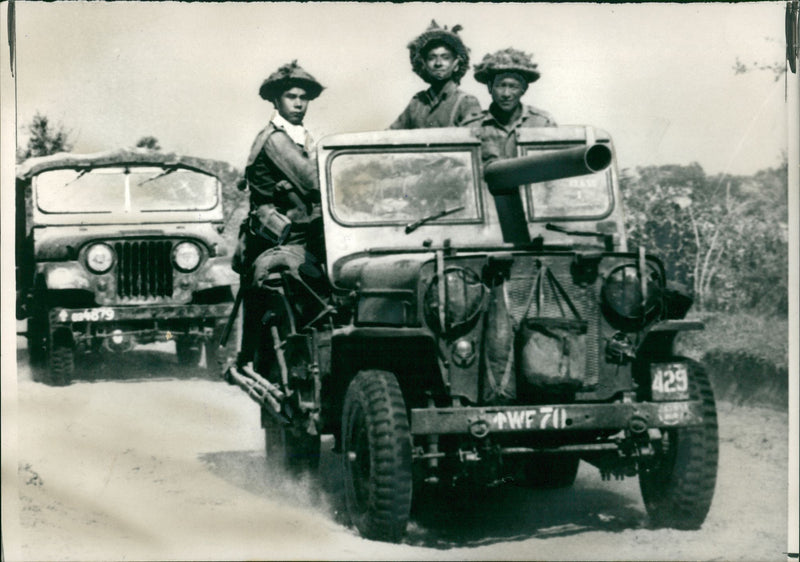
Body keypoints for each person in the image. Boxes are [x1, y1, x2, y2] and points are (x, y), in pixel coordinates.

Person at [231, 60, 326, 369]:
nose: (299, 104)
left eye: (304, 98)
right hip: (284, 239)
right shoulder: (276, 139)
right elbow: (314, 181)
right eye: (291, 97)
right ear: (276, 100)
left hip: (297, 232)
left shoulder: (298, 136)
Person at [463, 48, 556, 162]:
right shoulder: (472, 126)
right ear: (490, 87)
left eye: (513, 87)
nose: (506, 94)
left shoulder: (542, 123)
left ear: (524, 89)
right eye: (500, 86)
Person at [389, 20, 482, 129]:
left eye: (445, 57)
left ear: (456, 65)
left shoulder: (465, 102)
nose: (438, 63)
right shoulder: (417, 103)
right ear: (424, 65)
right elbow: (390, 134)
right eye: (431, 58)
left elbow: (474, 136)